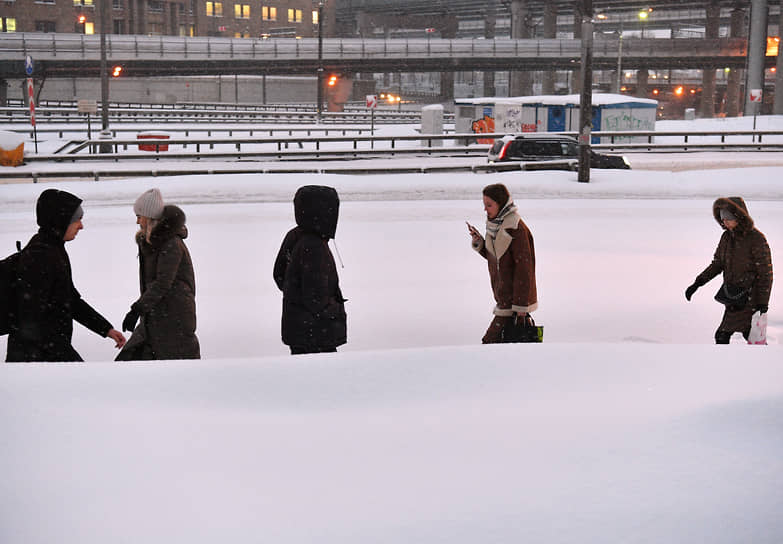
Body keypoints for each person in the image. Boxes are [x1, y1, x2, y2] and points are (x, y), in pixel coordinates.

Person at [6, 189, 126, 362]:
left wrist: (105, 329)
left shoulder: (53, 249)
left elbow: (70, 299)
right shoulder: (40, 256)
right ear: (60, 221)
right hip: (34, 358)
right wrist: (67, 357)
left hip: (46, 352)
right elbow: (31, 318)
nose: (81, 226)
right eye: (77, 219)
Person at [116, 188, 200, 360]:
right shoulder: (150, 242)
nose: (137, 221)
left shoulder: (170, 244)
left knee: (176, 364)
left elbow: (162, 283)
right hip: (156, 315)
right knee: (132, 360)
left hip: (173, 317)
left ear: (150, 217)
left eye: (139, 216)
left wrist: (136, 310)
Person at [684, 196, 773, 344]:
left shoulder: (756, 239)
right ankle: (742, 363)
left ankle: (727, 364)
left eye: (728, 217)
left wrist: (763, 304)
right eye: (722, 218)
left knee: (723, 335)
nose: (724, 221)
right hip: (734, 296)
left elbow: (765, 274)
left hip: (750, 298)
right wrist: (698, 283)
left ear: (739, 217)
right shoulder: (726, 237)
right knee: (748, 335)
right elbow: (717, 264)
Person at [273, 185, 347, 355]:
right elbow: (315, 298)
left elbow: (279, 274)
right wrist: (334, 310)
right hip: (315, 336)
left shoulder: (296, 235)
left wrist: (293, 295)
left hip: (301, 330)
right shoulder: (314, 246)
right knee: (320, 378)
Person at [468, 183, 538, 344]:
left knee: (489, 342)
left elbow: (524, 269)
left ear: (501, 204)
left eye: (489, 205)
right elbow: (498, 259)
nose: (485, 209)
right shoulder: (496, 226)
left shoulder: (515, 228)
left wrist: (521, 308)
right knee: (503, 346)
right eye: (484, 205)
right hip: (504, 298)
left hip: (513, 303)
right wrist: (480, 242)